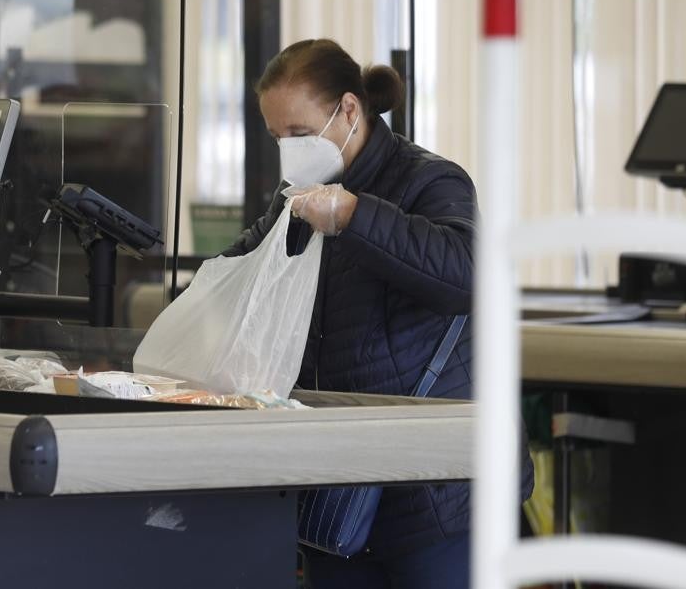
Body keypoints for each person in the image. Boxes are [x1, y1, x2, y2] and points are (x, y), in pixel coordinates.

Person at [226, 38, 532, 589]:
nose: (288, 151)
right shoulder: (295, 196)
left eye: (299, 134)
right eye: (277, 137)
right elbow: (242, 271)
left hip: (440, 497)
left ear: (348, 109)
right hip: (342, 490)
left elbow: (466, 274)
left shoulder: (430, 180)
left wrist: (353, 215)